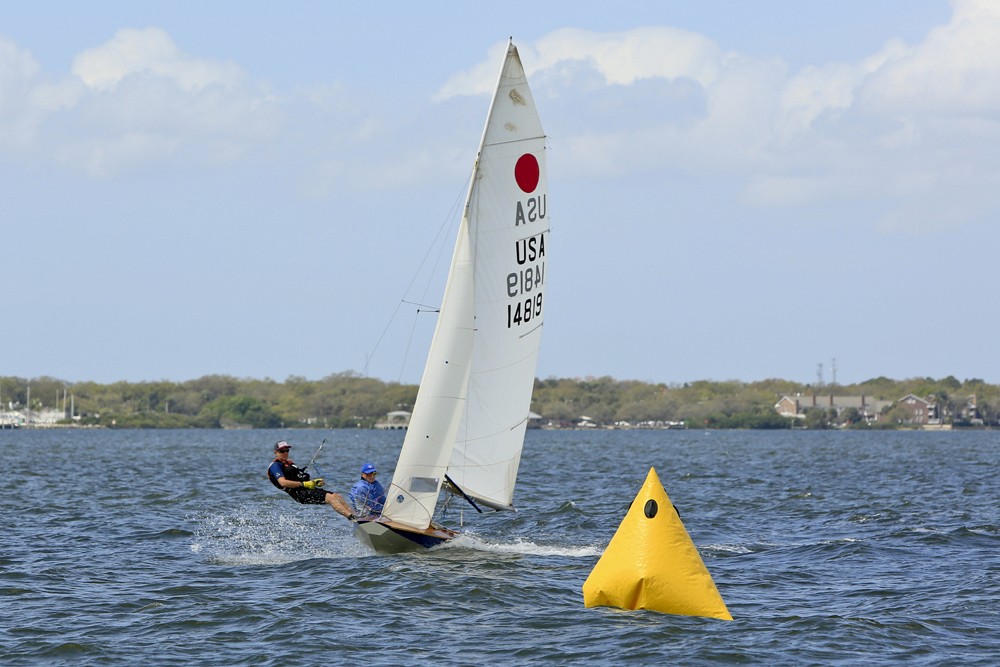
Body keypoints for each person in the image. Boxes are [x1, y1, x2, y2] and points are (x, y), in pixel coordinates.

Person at [266, 441, 355, 520]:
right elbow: (283, 482)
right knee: (330, 498)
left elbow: (301, 478)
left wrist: (314, 482)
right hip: (299, 494)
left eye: (287, 450)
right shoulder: (275, 466)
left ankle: (355, 516)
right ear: (275, 452)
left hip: (306, 490)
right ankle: (352, 518)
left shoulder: (289, 464)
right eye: (282, 451)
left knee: (337, 496)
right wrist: (304, 484)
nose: (285, 453)